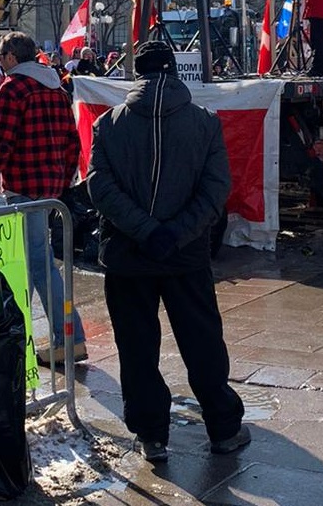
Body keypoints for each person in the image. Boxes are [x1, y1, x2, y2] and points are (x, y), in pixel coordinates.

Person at [86, 41, 247, 464]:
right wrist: (173, 233)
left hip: (128, 254)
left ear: (136, 75)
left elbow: (100, 188)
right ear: (174, 72)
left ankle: (152, 436)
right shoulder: (204, 123)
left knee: (137, 349)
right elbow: (216, 191)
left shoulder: (109, 124)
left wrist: (146, 230)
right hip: (185, 255)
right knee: (202, 343)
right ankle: (224, 429)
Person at [0, 31, 88, 365]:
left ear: (10, 58)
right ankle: (18, 331)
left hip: (23, 185)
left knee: (37, 263)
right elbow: (71, 141)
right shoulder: (57, 89)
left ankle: (67, 336)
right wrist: (63, 184)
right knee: (34, 260)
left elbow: (1, 140)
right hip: (50, 187)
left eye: (2, 58)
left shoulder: (13, 88)